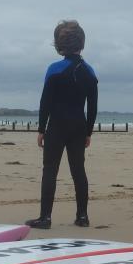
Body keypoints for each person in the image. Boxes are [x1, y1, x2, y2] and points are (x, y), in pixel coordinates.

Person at [25, 20, 98, 229]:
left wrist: (41, 129)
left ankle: (45, 217)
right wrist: (88, 132)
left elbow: (45, 101)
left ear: (59, 45)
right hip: (78, 126)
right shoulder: (90, 72)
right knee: (78, 170)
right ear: (81, 43)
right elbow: (92, 107)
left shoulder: (54, 69)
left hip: (56, 126)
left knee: (50, 170)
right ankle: (82, 216)